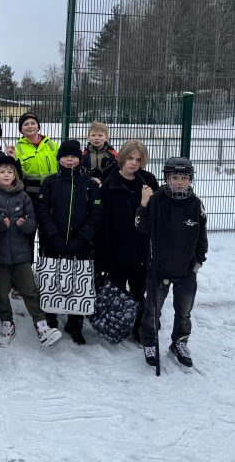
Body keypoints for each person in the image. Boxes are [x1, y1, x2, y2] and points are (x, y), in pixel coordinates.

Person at [136, 157, 208, 369]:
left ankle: (179, 342)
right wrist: (143, 204)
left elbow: (202, 237)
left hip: (186, 271)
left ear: (190, 180)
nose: (179, 182)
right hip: (159, 269)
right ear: (167, 178)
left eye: (183, 178)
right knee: (152, 311)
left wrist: (198, 261)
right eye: (174, 177)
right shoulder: (157, 200)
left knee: (184, 311)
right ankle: (149, 342)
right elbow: (141, 227)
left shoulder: (195, 204)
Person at [0, 155, 61, 349]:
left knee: (30, 290)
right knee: (1, 292)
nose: (7, 175)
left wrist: (25, 225)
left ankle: (41, 325)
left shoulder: (24, 196)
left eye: (10, 171)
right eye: (2, 172)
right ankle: (7, 323)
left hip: (21, 255)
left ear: (15, 174)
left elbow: (33, 222)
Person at [36, 139, 102, 345]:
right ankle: (51, 319)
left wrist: (83, 238)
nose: (70, 160)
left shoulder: (90, 185)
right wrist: (53, 236)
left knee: (78, 283)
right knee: (52, 280)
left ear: (79, 159)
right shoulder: (49, 183)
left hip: (81, 245)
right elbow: (42, 211)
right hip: (52, 243)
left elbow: (97, 213)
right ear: (59, 159)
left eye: (73, 156)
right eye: (65, 156)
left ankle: (75, 324)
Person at [96, 140, 159, 342]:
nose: (133, 163)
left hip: (140, 247)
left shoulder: (148, 181)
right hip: (115, 246)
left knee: (139, 290)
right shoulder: (109, 181)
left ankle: (140, 327)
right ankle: (118, 324)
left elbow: (154, 217)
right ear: (122, 157)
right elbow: (102, 219)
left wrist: (145, 203)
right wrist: (103, 253)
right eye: (130, 158)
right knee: (117, 290)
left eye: (138, 160)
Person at [10, 112, 59, 203]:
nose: (30, 126)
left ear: (38, 127)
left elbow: (61, 164)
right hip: (30, 194)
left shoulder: (52, 145)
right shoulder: (17, 149)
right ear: (21, 130)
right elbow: (18, 174)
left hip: (53, 191)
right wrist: (13, 159)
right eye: (26, 124)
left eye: (33, 123)